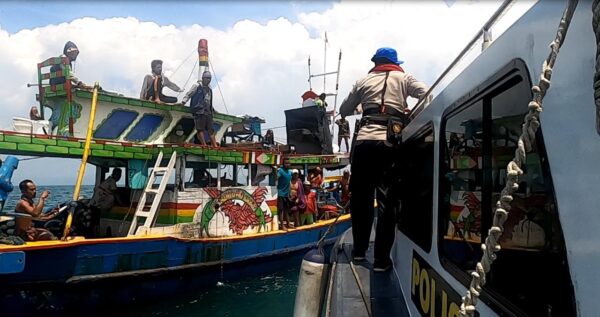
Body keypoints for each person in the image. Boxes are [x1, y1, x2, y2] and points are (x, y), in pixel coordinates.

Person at [339, 47, 427, 271]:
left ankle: (359, 253)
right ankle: (381, 260)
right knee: (388, 202)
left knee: (361, 200)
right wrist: (407, 113)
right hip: (389, 143)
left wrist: (361, 106)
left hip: (364, 143)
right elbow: (426, 94)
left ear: (376, 62)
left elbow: (343, 109)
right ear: (395, 62)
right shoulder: (404, 77)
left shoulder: (363, 81)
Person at [182, 71, 218, 147]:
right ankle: (204, 145)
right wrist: (183, 102)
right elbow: (189, 94)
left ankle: (215, 145)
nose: (209, 80)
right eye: (207, 78)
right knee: (200, 129)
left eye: (210, 78)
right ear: (203, 78)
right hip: (199, 110)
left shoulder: (209, 88)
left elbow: (208, 100)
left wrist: (213, 109)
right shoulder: (197, 86)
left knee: (210, 129)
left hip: (208, 112)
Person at [89, 168, 122, 236]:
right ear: (114, 174)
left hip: (94, 203)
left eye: (120, 175)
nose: (119, 177)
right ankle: (96, 235)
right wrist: (121, 204)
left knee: (95, 221)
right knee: (96, 221)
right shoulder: (112, 181)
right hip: (97, 204)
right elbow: (116, 194)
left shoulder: (108, 180)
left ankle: (95, 234)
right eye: (118, 174)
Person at [276, 158, 292, 230]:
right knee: (281, 210)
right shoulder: (281, 171)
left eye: (288, 163)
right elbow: (276, 177)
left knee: (286, 210)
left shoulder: (290, 172)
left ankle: (288, 223)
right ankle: (282, 225)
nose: (287, 164)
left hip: (286, 194)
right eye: (286, 163)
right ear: (283, 164)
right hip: (280, 194)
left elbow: (289, 183)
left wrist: (290, 192)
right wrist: (275, 170)